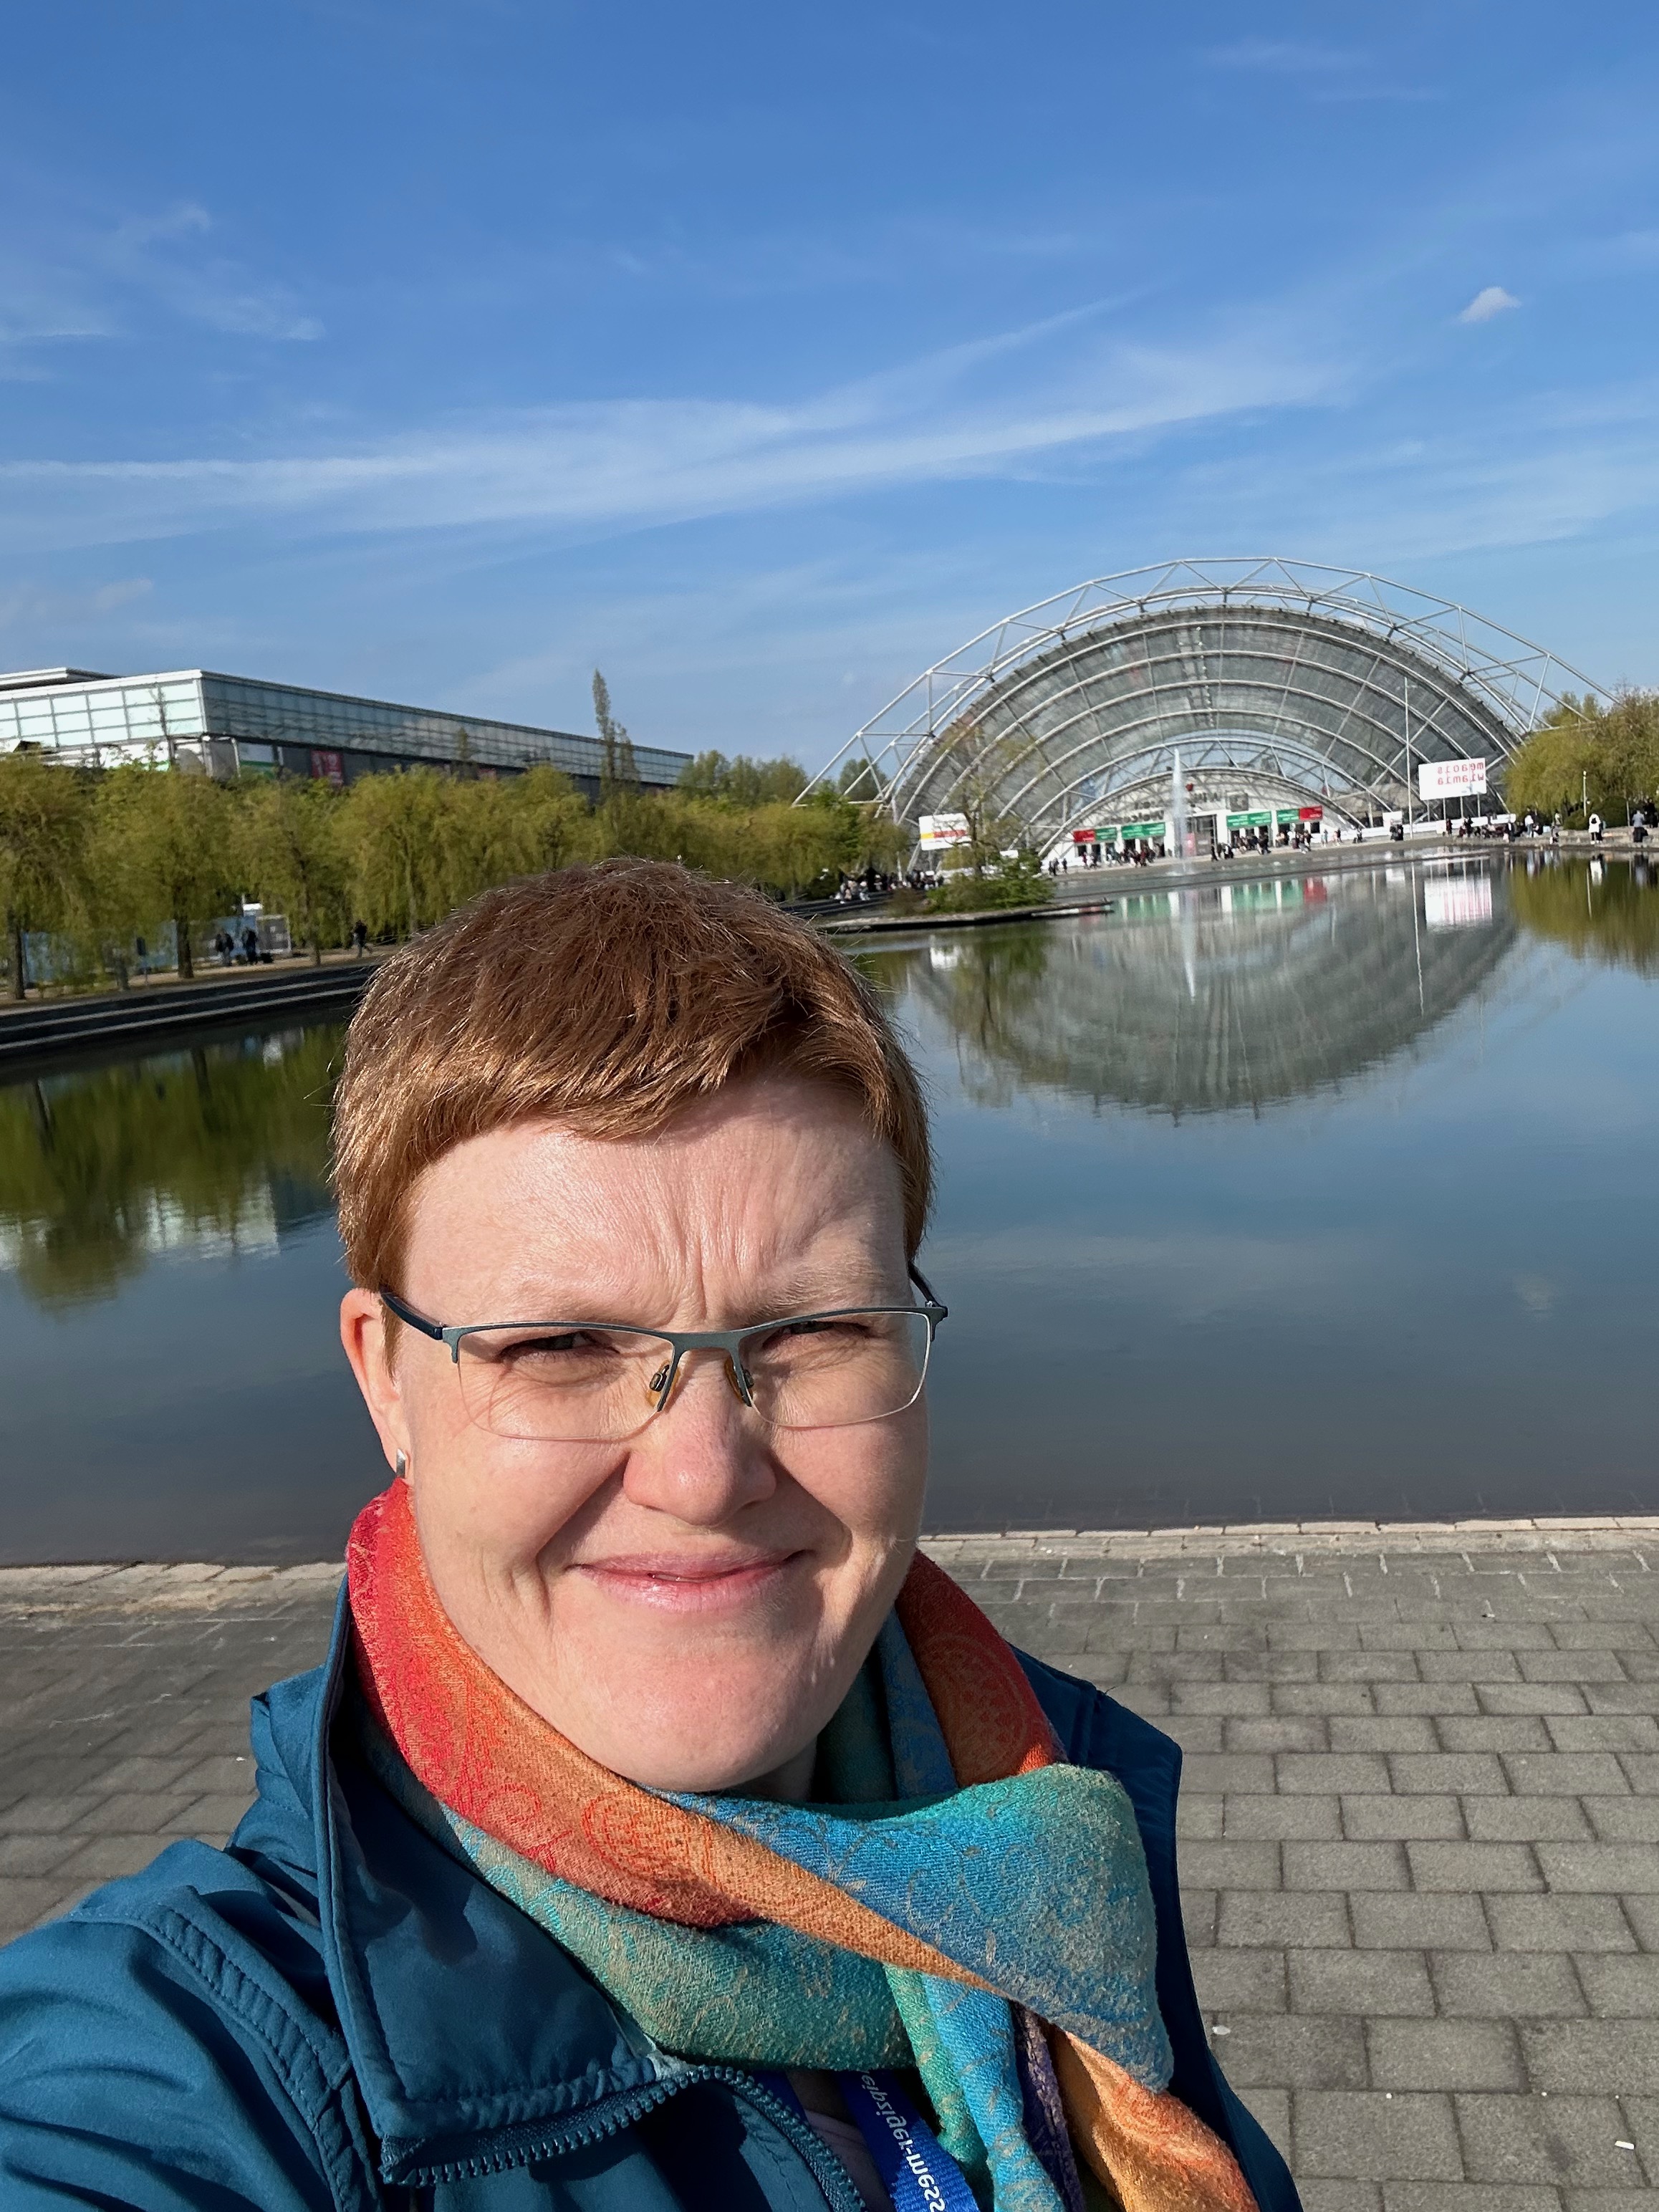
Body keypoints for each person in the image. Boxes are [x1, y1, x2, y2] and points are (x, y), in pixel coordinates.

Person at [1, 864, 1280, 2208]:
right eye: (559, 1347)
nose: (702, 1471)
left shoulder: (1046, 1821)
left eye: (813, 1331)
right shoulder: (209, 2063)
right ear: (386, 1380)